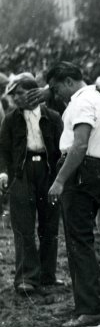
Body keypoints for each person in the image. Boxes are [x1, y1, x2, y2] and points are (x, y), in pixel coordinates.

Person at [45, 62, 100, 327]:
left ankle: (92, 309)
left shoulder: (82, 102)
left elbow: (80, 144)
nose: (56, 93)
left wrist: (60, 180)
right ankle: (98, 300)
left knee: (78, 242)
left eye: (56, 87)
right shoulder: (94, 97)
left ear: (70, 81)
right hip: (92, 170)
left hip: (80, 172)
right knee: (82, 239)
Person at [0, 75, 63, 295]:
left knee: (49, 224)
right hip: (21, 172)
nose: (16, 98)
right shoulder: (10, 119)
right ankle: (26, 277)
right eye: (13, 94)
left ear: (33, 92)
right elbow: (3, 149)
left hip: (47, 171)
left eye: (20, 93)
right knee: (23, 225)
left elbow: (60, 146)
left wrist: (59, 175)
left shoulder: (53, 117)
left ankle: (48, 275)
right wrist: (4, 173)